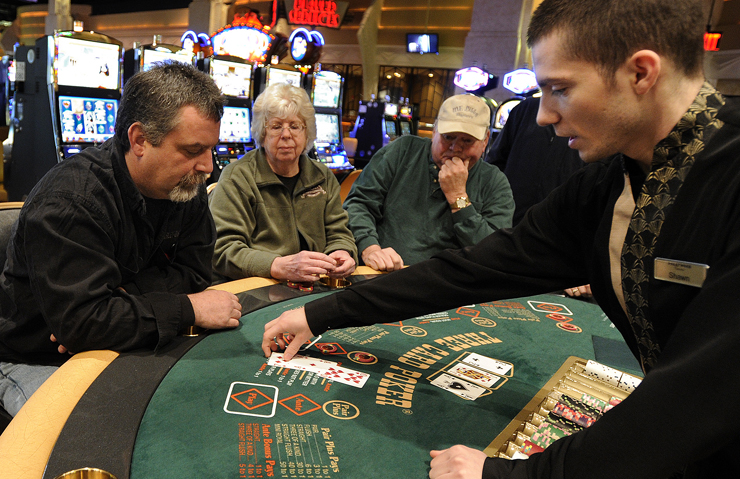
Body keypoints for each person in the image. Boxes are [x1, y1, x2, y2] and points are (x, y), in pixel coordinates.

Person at [262, 0, 740, 477]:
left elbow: (700, 401)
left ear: (641, 73)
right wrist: (320, 312)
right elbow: (476, 269)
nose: (543, 116)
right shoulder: (608, 183)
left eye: (560, 89)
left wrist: (507, 474)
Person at [0, 62, 242, 417]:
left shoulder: (185, 187)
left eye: (211, 150)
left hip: (112, 343)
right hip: (36, 357)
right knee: (106, 426)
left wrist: (118, 300)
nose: (208, 166)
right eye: (193, 150)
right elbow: (86, 324)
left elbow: (197, 273)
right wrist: (187, 308)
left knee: (199, 404)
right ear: (139, 140)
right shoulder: (70, 201)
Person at [343, 94, 514, 271]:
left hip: (452, 286)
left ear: (485, 140)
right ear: (434, 131)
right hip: (385, 274)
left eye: (467, 140)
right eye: (448, 137)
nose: (456, 148)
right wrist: (370, 248)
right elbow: (359, 204)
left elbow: (492, 253)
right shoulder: (402, 151)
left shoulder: (495, 181)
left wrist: (458, 198)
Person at [209, 83, 357, 283]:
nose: (286, 134)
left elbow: (339, 233)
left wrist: (342, 252)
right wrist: (278, 266)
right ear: (262, 133)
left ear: (307, 134)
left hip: (313, 284)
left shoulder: (322, 175)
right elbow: (223, 250)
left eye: (295, 126)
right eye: (276, 126)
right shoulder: (238, 176)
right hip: (259, 284)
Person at [486, 96, 584, 226]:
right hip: (509, 221)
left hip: (558, 227)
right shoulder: (526, 108)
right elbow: (495, 163)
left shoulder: (589, 118)